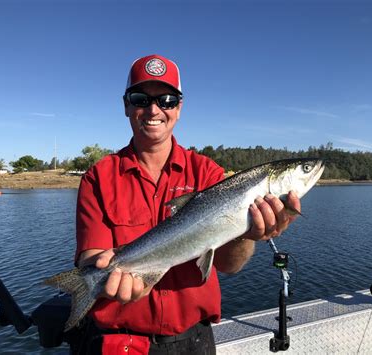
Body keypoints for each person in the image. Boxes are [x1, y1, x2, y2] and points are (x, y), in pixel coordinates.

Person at [74, 54, 301, 354]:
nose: (154, 109)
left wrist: (248, 234)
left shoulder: (208, 174)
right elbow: (90, 256)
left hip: (194, 343)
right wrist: (98, 276)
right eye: (141, 98)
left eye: (167, 99)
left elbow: (229, 265)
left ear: (179, 108)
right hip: (119, 344)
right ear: (127, 105)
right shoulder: (98, 177)